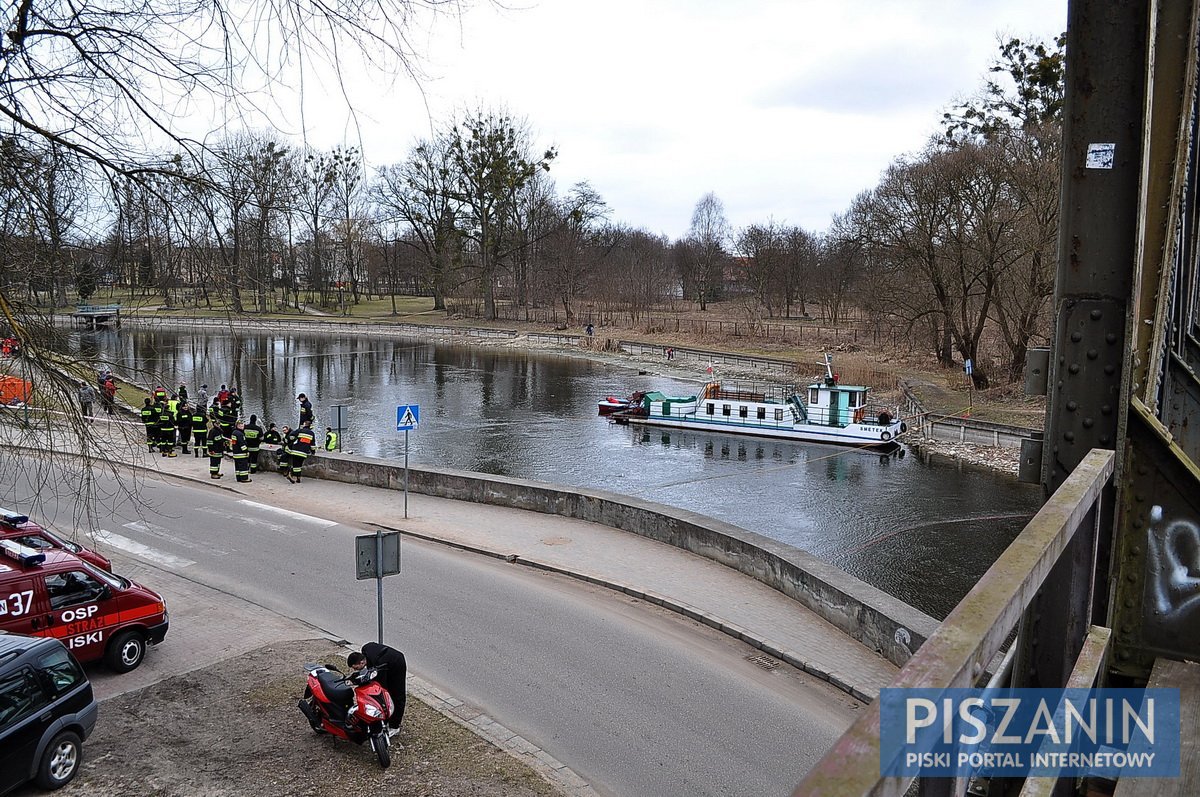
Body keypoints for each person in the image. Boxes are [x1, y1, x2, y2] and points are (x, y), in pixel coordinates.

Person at [348, 642, 407, 737]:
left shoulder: (379, 664)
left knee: (396, 695)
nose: (357, 670)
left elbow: (380, 685)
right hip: (387, 662)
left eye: (357, 668)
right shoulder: (365, 649)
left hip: (397, 664)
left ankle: (395, 726)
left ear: (362, 662)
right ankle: (388, 719)